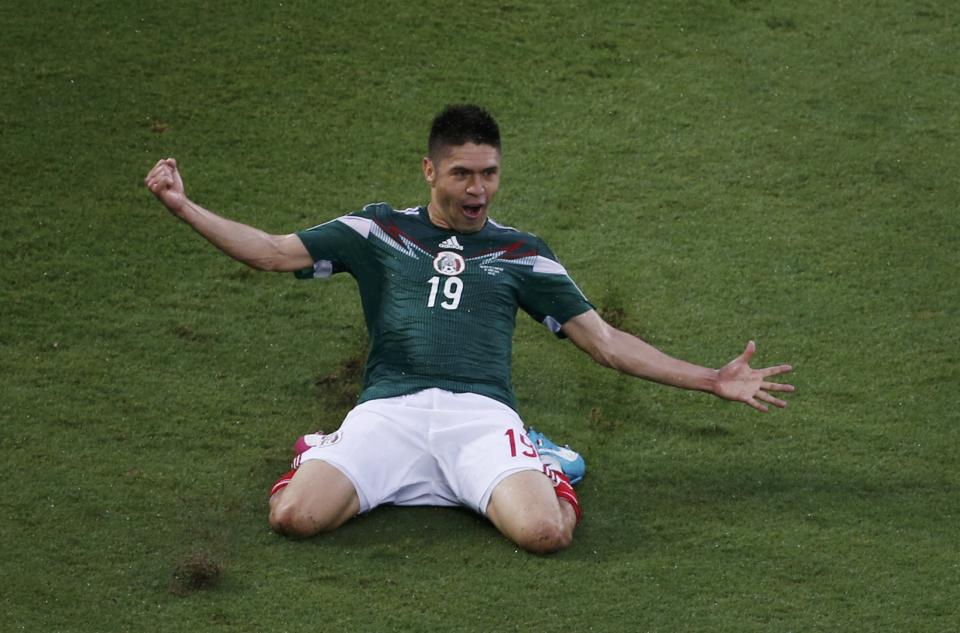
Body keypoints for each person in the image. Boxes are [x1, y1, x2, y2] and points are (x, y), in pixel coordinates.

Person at [144, 104, 794, 554]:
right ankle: (326, 448)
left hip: (481, 419)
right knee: (293, 518)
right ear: (430, 171)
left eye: (489, 173)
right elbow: (269, 249)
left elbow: (606, 342)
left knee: (547, 536)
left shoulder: (522, 253)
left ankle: (541, 463)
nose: (478, 188)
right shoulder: (377, 231)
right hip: (388, 412)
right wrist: (180, 206)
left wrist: (712, 379)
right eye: (463, 173)